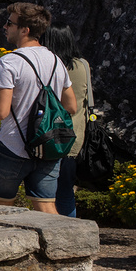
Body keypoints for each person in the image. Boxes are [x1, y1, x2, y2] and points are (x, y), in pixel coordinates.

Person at [0, 3, 77, 214]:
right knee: (46, 207)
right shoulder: (56, 60)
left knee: (2, 209)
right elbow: (71, 106)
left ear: (24, 30)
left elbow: (1, 111)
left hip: (12, 146)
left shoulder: (9, 62)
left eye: (9, 23)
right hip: (47, 145)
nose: (5, 26)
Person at [42, 23, 91, 218]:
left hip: (49, 136)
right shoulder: (83, 65)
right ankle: (71, 231)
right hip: (75, 137)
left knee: (46, 195)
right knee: (66, 191)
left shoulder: (51, 66)